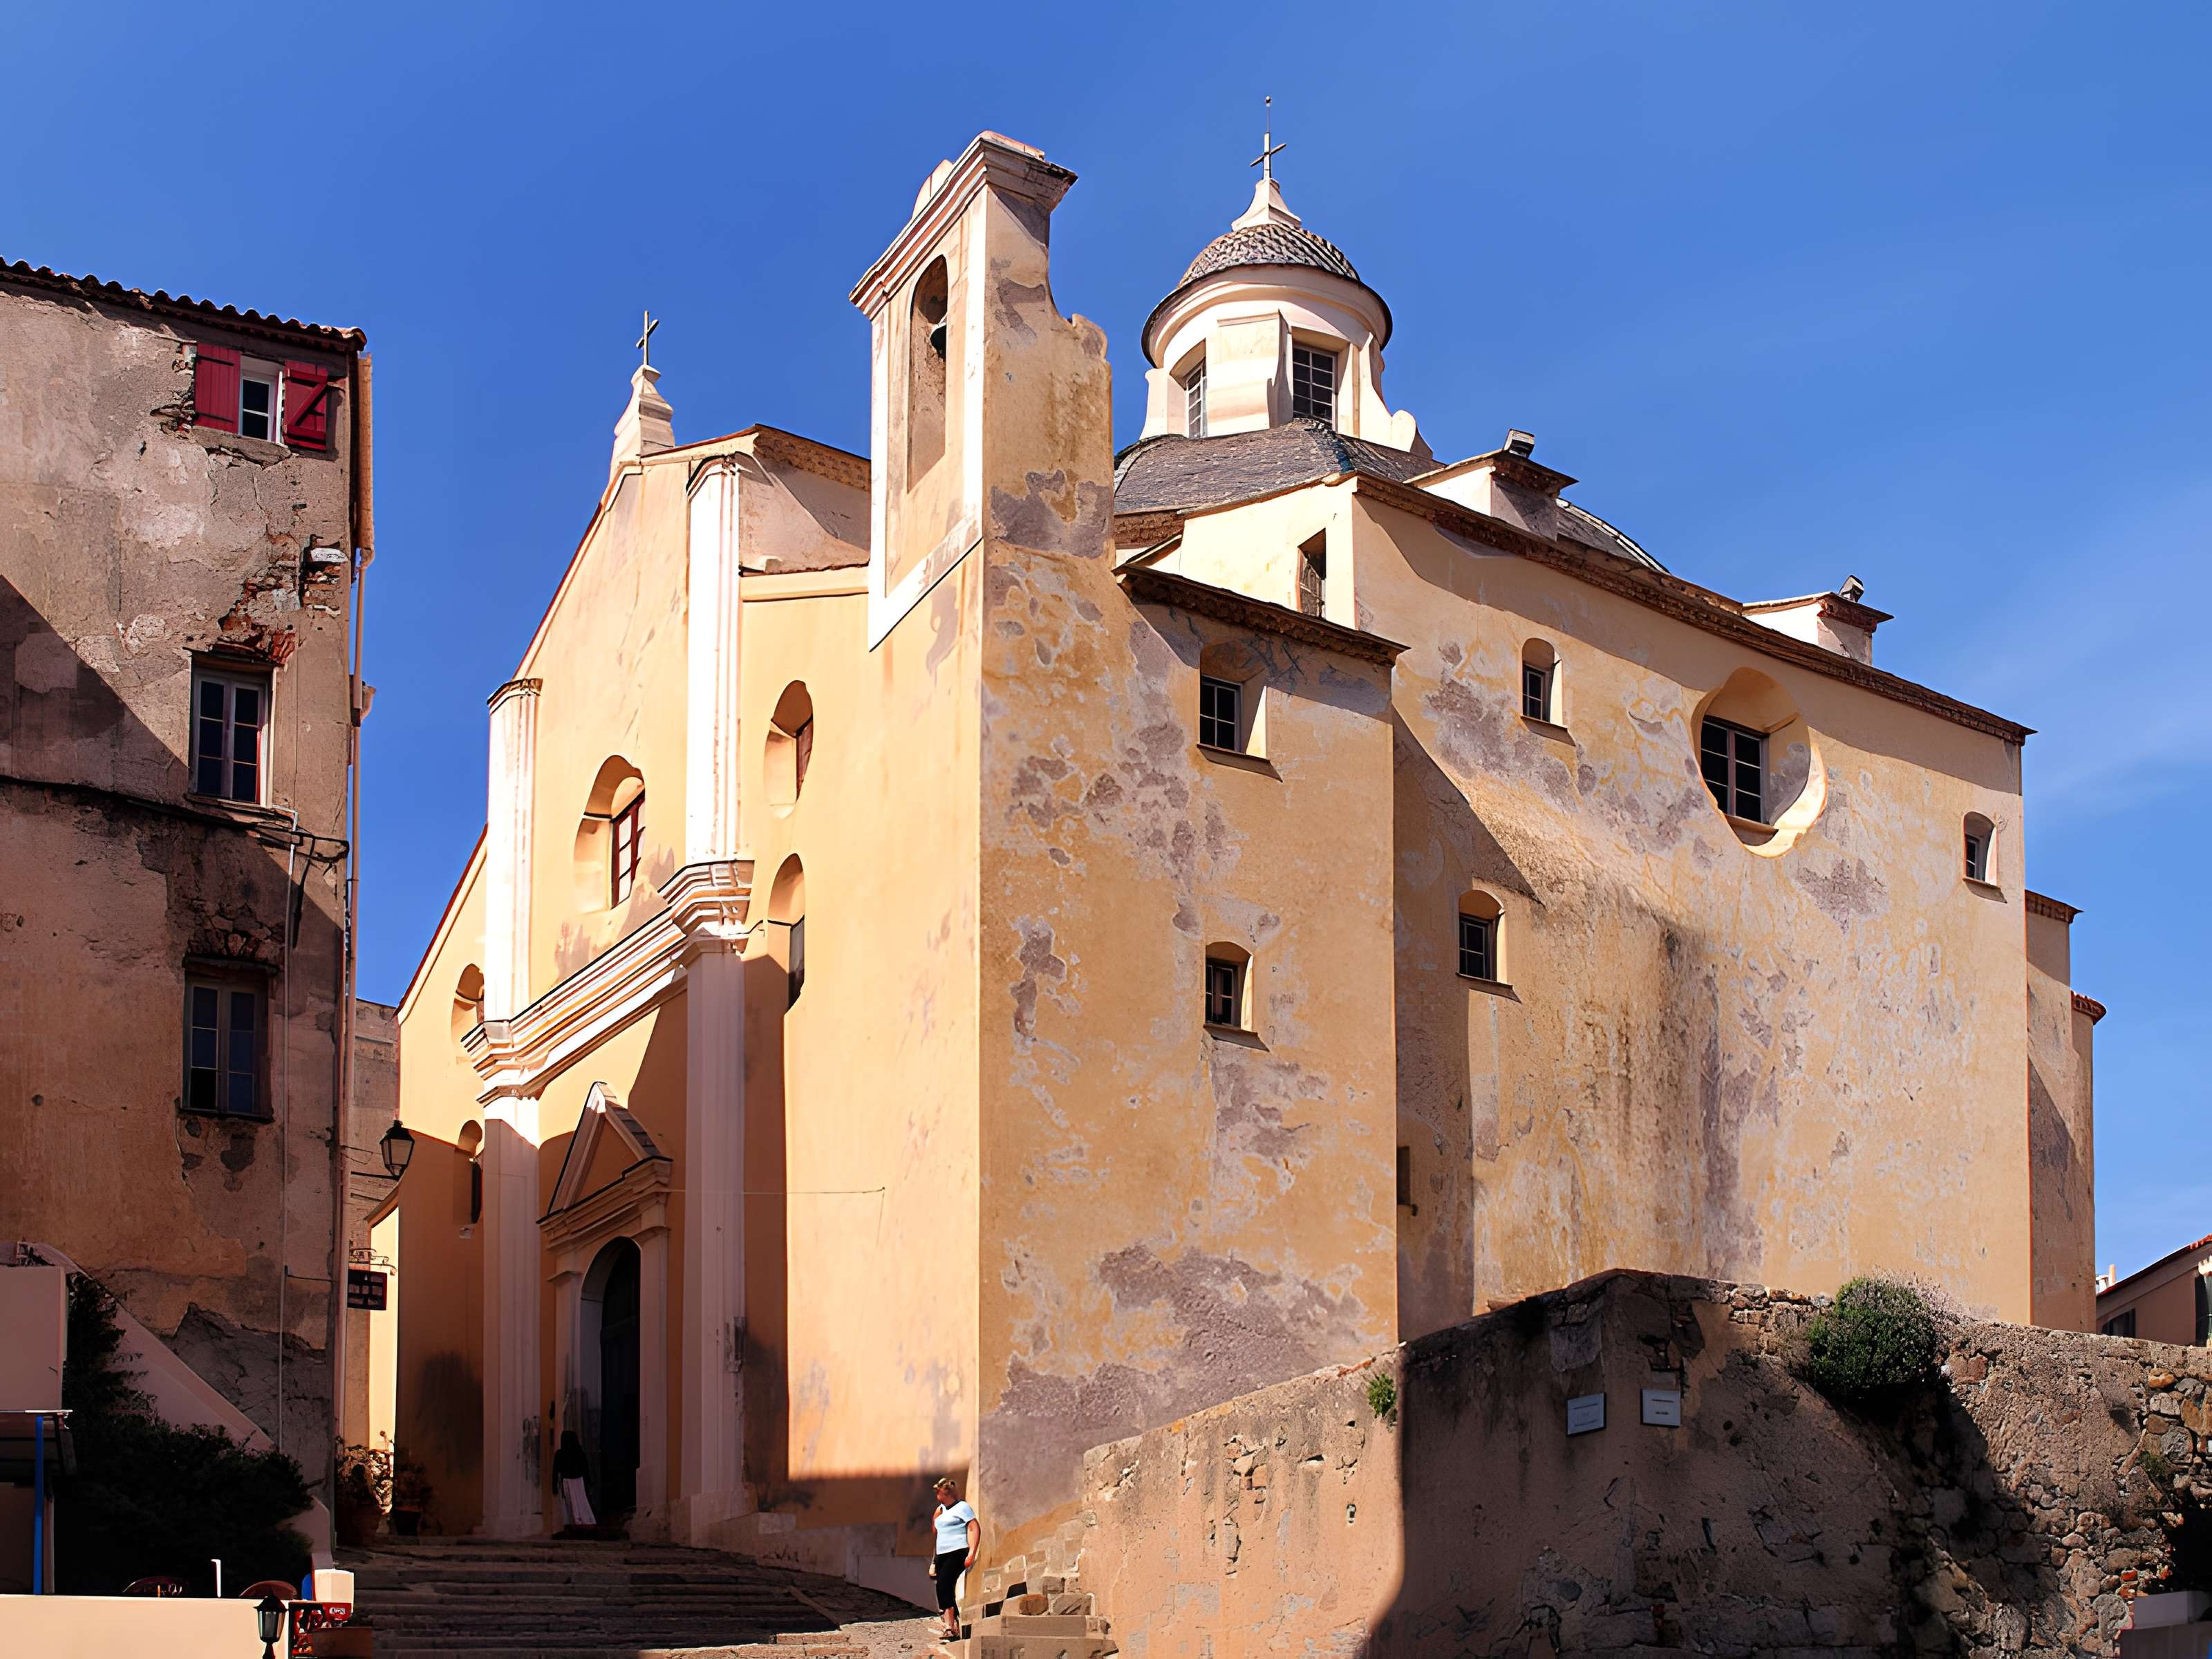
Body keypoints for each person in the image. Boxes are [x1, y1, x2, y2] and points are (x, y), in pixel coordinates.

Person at [930, 1476, 977, 1642]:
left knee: (944, 1584)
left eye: (939, 1493)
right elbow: (936, 1533)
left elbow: (973, 1528)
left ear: (947, 1493)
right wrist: (934, 1560)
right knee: (942, 1587)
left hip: (958, 1551)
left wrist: (972, 1552)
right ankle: (953, 1622)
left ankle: (950, 1627)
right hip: (942, 1554)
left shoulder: (963, 1507)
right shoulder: (940, 1510)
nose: (937, 1497)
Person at [553, 1430, 597, 1531]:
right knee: (580, 1502)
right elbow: (586, 1470)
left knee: (571, 1504)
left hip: (569, 1482)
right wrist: (589, 1482)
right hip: (576, 1482)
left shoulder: (560, 1454)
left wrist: (554, 1486)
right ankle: (583, 1522)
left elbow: (556, 1471)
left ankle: (575, 1523)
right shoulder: (579, 1453)